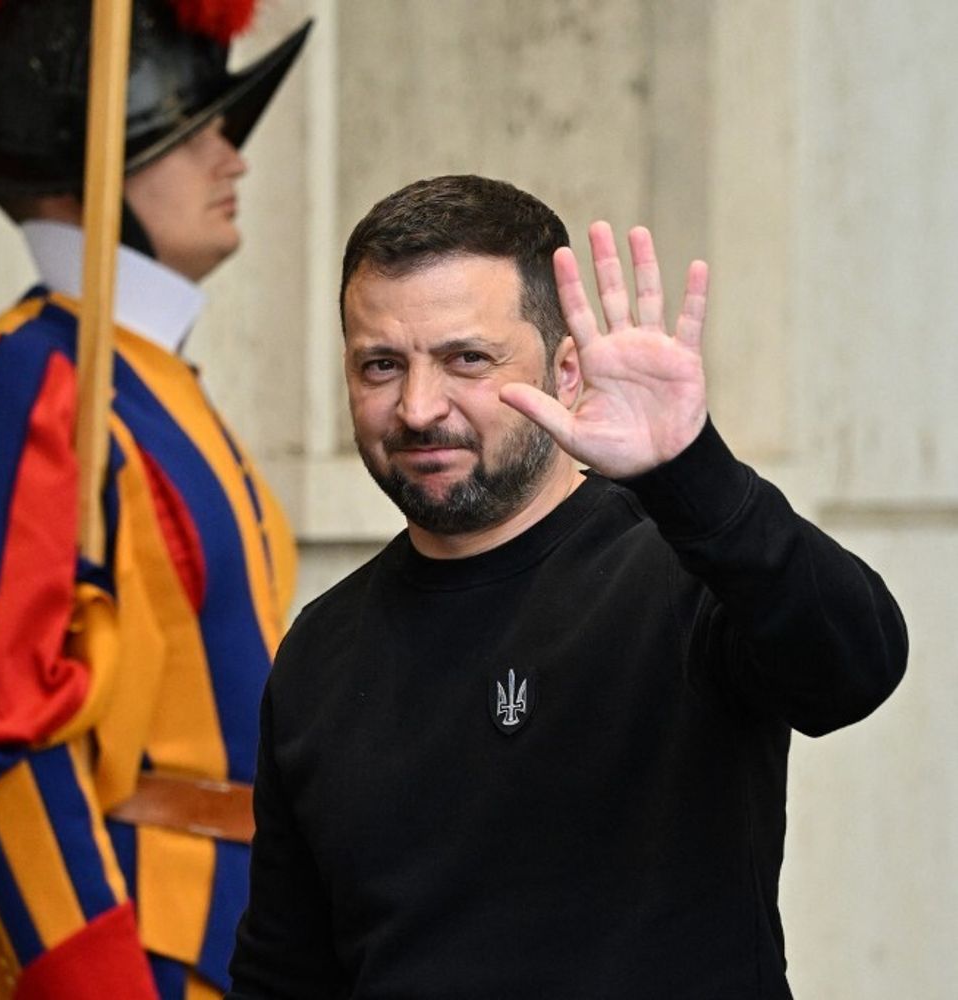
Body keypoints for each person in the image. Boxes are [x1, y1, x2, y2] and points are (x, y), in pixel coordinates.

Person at [227, 175, 908, 998]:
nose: (416, 406)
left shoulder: (684, 571)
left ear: (566, 368)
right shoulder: (321, 649)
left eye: (465, 359)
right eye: (380, 365)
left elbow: (856, 664)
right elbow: (283, 974)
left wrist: (692, 472)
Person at [0, 1, 309, 998]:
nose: (232, 159)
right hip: (82, 959)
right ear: (89, 164)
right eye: (195, 134)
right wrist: (90, 967)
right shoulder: (25, 379)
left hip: (209, 951)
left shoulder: (163, 391)